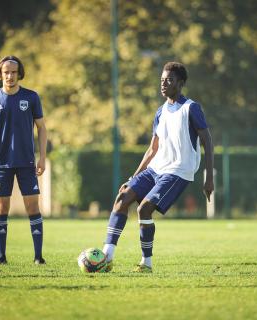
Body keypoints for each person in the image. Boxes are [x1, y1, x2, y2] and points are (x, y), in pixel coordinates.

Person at [101, 62, 214, 273]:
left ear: (180, 84)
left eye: (169, 80)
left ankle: (147, 263)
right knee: (123, 197)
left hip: (178, 171)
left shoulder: (191, 108)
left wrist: (209, 178)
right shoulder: (160, 112)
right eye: (162, 80)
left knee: (144, 208)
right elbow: (153, 149)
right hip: (155, 168)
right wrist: (132, 177)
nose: (163, 84)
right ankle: (106, 257)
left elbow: (207, 141)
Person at [0, 56, 48, 265]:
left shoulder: (31, 97)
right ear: (0, 73)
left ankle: (38, 257)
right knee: (1, 208)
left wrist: (42, 158)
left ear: (20, 74)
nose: (9, 76)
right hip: (1, 164)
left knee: (33, 207)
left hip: (27, 162)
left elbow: (42, 128)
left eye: (13, 72)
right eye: (6, 72)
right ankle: (1, 257)